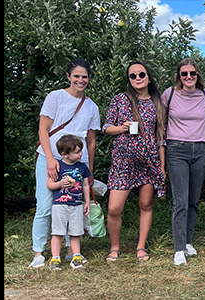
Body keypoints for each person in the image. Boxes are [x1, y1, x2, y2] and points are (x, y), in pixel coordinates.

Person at [29, 58, 101, 268]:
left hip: (78, 162)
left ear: (89, 79)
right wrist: (51, 158)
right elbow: (43, 129)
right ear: (68, 77)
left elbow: (91, 141)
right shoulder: (55, 97)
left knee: (73, 206)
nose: (80, 80)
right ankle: (39, 253)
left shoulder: (91, 107)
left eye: (84, 77)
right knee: (45, 206)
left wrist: (90, 169)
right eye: (76, 76)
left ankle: (72, 252)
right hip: (48, 158)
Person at [103, 61, 167, 262]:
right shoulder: (121, 100)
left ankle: (141, 247)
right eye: (133, 76)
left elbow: (161, 139)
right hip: (123, 162)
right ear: (129, 79)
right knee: (114, 208)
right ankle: (115, 247)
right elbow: (106, 127)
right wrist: (121, 128)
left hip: (149, 162)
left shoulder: (158, 104)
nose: (138, 78)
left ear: (149, 77)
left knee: (146, 204)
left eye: (141, 74)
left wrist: (162, 167)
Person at [161, 58, 205, 266]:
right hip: (176, 149)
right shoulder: (169, 94)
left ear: (197, 75)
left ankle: (189, 241)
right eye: (184, 74)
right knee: (180, 202)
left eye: (192, 73)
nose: (189, 77)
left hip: (200, 149)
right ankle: (179, 248)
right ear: (179, 76)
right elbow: (161, 122)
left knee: (193, 200)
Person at [46, 134, 92, 270]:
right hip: (60, 205)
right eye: (77, 152)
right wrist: (60, 184)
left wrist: (87, 202)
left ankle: (76, 256)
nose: (80, 154)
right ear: (64, 154)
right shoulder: (57, 166)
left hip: (77, 204)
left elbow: (85, 185)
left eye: (81, 151)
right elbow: (49, 184)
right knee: (58, 232)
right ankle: (55, 258)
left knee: (76, 232)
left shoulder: (82, 167)